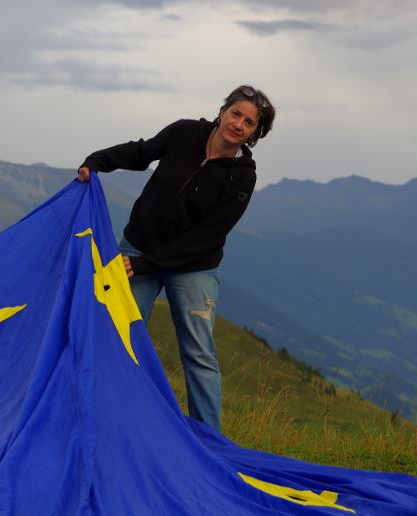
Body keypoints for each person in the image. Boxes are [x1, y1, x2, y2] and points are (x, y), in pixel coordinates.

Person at [76, 85, 275, 432]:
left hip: (192, 267)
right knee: (117, 335)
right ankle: (106, 420)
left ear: (255, 134)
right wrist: (96, 162)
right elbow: (141, 153)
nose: (238, 124)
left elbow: (207, 237)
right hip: (139, 249)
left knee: (198, 355)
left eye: (249, 123)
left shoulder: (242, 176)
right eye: (236, 114)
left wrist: (144, 265)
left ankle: (210, 441)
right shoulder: (184, 132)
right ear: (223, 111)